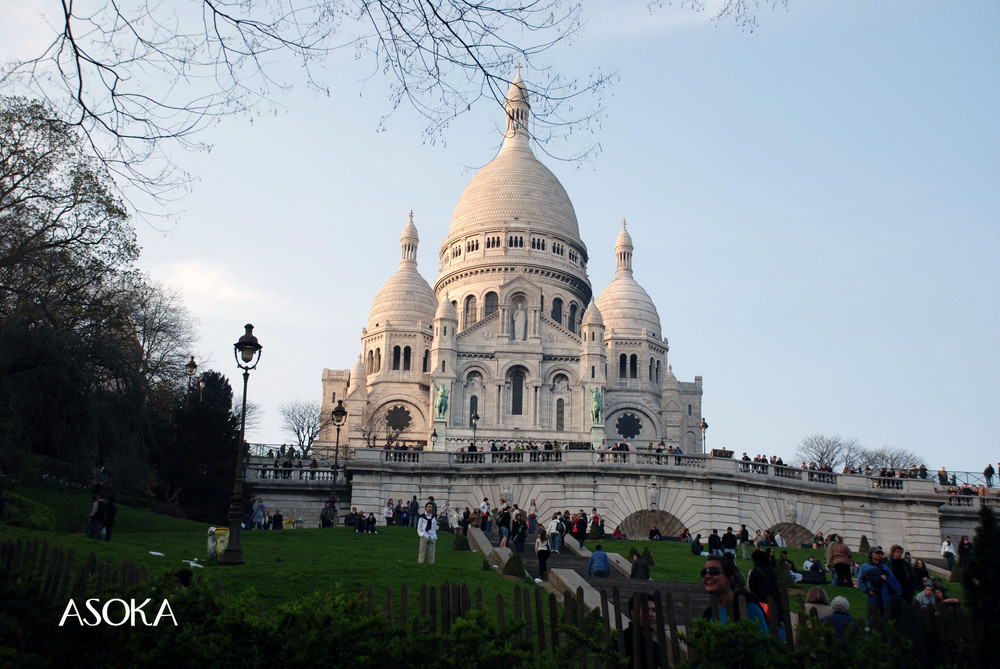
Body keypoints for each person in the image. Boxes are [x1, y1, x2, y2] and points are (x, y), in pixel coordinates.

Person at [700, 555, 768, 632]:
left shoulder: (748, 607)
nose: (707, 576)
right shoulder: (708, 614)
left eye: (713, 572)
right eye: (704, 573)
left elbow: (763, 641)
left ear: (730, 579)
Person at [856, 546, 901, 627]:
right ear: (871, 554)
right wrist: (867, 590)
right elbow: (860, 581)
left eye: (880, 553)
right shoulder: (865, 566)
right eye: (876, 553)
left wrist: (887, 579)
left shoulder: (885, 567)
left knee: (886, 614)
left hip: (885, 594)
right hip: (873, 594)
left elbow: (893, 579)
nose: (879, 555)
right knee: (872, 615)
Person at [623, 592, 662, 669]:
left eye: (653, 610)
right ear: (633, 613)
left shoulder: (655, 646)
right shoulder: (623, 639)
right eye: (646, 610)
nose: (651, 614)